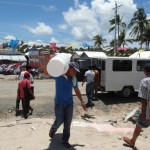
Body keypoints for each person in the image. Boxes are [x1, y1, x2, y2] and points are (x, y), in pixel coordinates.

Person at [49, 62, 86, 148]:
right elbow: (47, 73)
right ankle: (53, 128)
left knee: (67, 123)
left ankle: (65, 140)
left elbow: (76, 90)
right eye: (74, 70)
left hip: (69, 103)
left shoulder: (73, 78)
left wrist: (82, 101)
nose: (75, 73)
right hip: (59, 103)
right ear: (68, 68)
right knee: (59, 120)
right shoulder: (59, 75)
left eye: (76, 71)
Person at [123, 63, 150, 148]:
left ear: (145, 71)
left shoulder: (145, 81)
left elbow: (143, 98)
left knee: (139, 125)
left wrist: (143, 113)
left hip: (148, 110)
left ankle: (132, 141)